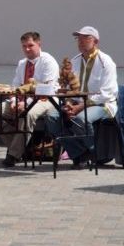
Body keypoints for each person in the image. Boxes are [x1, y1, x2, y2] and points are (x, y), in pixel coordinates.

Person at [45, 26, 118, 169]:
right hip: (77, 103)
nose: (81, 41)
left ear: (96, 41)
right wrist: (68, 103)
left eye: (86, 38)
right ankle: (79, 153)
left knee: (81, 119)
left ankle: (92, 153)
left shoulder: (106, 62)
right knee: (51, 116)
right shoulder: (75, 60)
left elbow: (107, 94)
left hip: (102, 105)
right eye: (78, 38)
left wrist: (80, 106)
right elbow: (68, 88)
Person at [0, 32, 59, 167]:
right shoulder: (22, 63)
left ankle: (13, 154)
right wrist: (15, 101)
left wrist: (26, 103)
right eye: (24, 46)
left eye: (30, 45)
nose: (27, 49)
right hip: (22, 99)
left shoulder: (48, 61)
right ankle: (20, 149)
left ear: (39, 44)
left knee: (28, 113)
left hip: (46, 99)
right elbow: (16, 85)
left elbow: (46, 88)